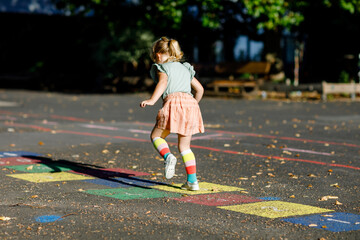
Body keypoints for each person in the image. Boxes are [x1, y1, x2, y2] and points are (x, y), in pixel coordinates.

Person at [140, 37, 205, 191]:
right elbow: (200, 89)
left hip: (173, 103)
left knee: (156, 136)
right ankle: (192, 182)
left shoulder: (162, 67)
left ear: (157, 55)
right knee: (185, 147)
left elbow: (163, 83)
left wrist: (152, 99)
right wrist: (193, 104)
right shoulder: (185, 68)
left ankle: (168, 156)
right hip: (190, 104)